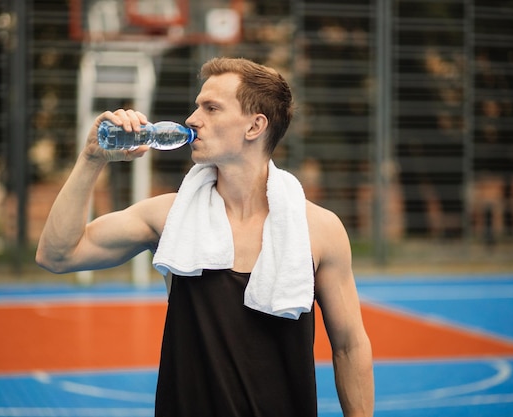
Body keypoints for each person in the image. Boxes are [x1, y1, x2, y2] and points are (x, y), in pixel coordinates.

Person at [36, 57, 374, 417]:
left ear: (255, 126)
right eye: (197, 106)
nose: (192, 119)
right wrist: (91, 158)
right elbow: (57, 255)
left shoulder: (319, 229)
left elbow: (350, 347)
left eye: (211, 108)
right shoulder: (169, 217)